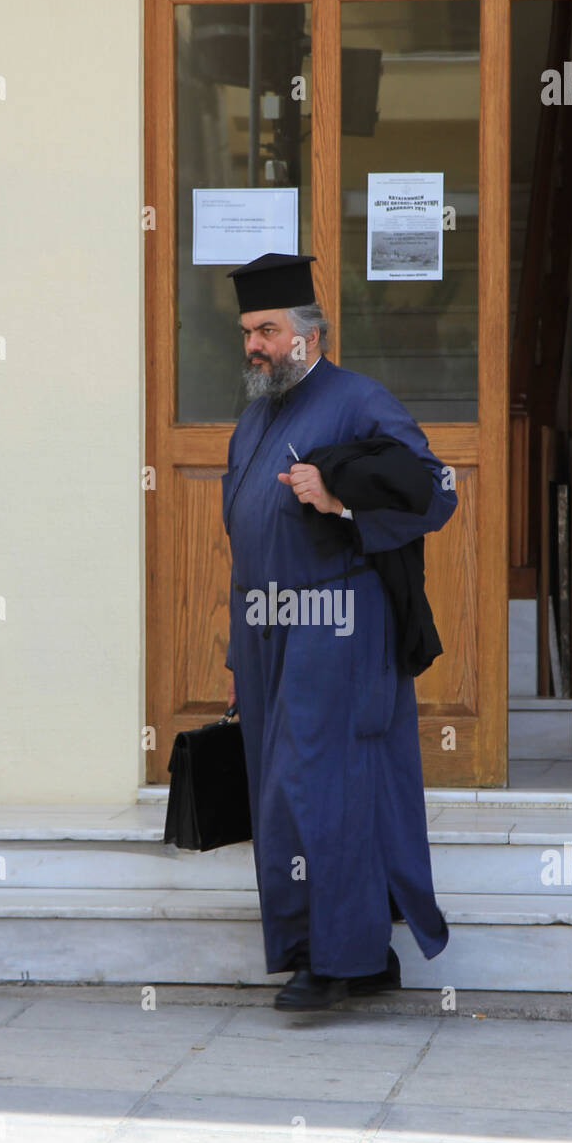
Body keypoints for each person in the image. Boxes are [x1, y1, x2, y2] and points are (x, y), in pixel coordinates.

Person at [222, 252, 458, 1011]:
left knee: (318, 785)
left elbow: (435, 491)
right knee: (277, 790)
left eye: (266, 329)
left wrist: (338, 501)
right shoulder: (257, 413)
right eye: (246, 332)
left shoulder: (359, 399)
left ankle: (340, 957)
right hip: (268, 629)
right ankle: (309, 949)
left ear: (308, 333)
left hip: (338, 622)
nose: (253, 345)